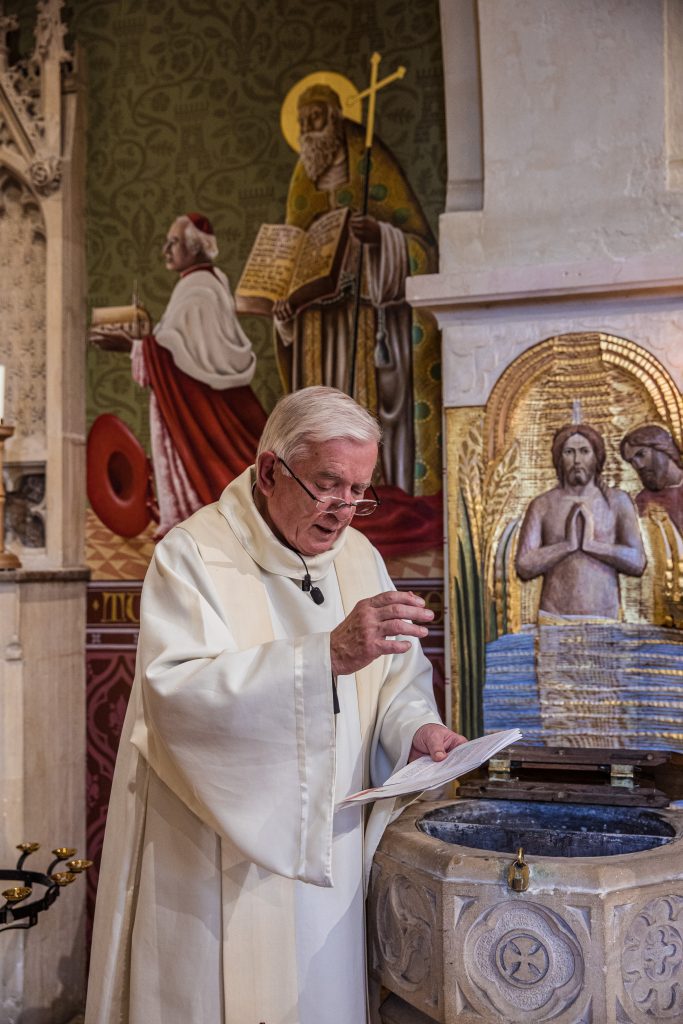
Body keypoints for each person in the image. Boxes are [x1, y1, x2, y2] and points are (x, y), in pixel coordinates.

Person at [85, 386, 466, 1024]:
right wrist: (325, 657)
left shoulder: (362, 558)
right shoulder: (193, 556)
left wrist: (416, 729)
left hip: (329, 853)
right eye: (329, 485)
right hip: (217, 860)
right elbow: (175, 695)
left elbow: (397, 681)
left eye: (359, 491)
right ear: (269, 472)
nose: (345, 510)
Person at [272, 84, 439, 495]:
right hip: (315, 326)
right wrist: (285, 308)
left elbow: (420, 251)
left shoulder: (373, 165)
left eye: (317, 117)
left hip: (361, 319)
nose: (310, 129)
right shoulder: (302, 183)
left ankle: (361, 487)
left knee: (358, 408)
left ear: (335, 118)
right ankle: (314, 486)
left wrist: (382, 237)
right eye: (303, 121)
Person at [91, 212, 267, 537]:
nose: (165, 250)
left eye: (173, 242)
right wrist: (141, 346)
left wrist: (132, 347)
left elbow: (183, 362)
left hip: (198, 405)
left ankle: (190, 522)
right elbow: (181, 351)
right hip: (190, 399)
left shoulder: (197, 290)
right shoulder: (203, 281)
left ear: (196, 247)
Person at [516, 423, 646, 618]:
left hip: (604, 617)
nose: (577, 460)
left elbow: (637, 561)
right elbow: (524, 565)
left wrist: (592, 546)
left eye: (584, 451)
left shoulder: (617, 501)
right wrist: (567, 545)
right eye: (569, 452)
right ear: (559, 459)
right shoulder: (542, 504)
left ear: (597, 457)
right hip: (553, 616)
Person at [620, 424, 683, 535]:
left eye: (641, 454)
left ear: (663, 448)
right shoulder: (645, 501)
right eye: (631, 461)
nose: (638, 465)